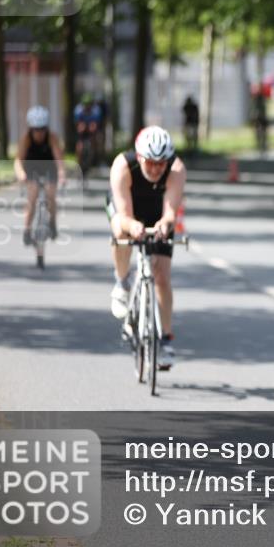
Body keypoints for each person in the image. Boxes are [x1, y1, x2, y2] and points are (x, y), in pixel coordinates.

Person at [106, 126, 187, 370]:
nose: (155, 169)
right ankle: (121, 281)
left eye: (160, 164)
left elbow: (171, 212)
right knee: (120, 231)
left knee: (162, 276)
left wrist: (165, 224)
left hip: (157, 213)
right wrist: (133, 226)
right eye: (150, 163)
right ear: (140, 157)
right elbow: (124, 214)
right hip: (127, 210)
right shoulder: (123, 166)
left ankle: (165, 340)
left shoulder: (176, 169)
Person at [14, 106, 66, 245]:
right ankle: (27, 229)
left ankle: (52, 222)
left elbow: (58, 159)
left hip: (49, 168)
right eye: (36, 129)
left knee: (50, 194)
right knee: (32, 196)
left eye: (42, 129)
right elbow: (19, 160)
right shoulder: (26, 139)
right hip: (32, 169)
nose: (39, 133)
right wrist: (21, 174)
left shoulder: (52, 138)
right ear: (31, 129)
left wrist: (61, 174)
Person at [73, 93, 104, 164]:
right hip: (83, 125)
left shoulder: (96, 110)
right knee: (79, 143)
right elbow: (77, 123)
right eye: (85, 105)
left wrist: (92, 127)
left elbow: (96, 123)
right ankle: (79, 160)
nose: (87, 107)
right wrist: (81, 127)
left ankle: (95, 157)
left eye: (89, 105)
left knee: (95, 137)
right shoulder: (78, 110)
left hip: (91, 125)